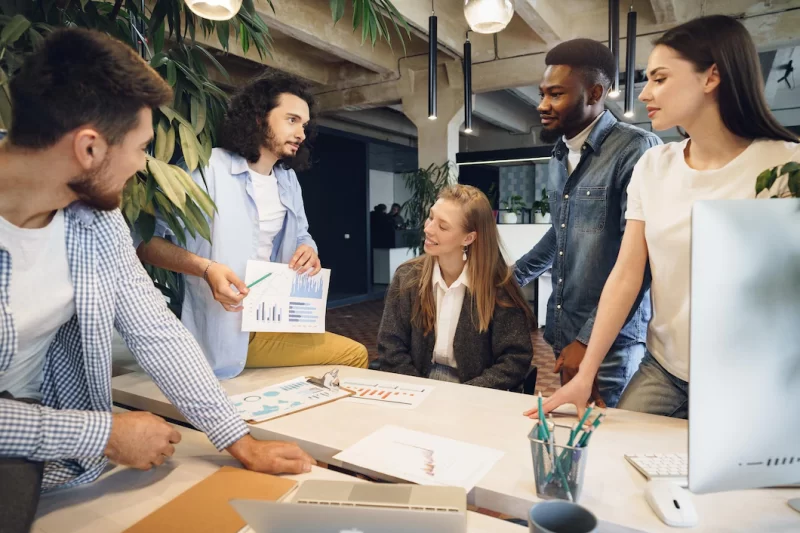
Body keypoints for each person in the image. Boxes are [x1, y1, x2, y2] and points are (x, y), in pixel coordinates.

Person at [0, 29, 315, 533]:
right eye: (142, 148)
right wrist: (98, 434)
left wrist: (238, 439)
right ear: (88, 148)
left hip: (57, 465)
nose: (146, 166)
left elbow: (155, 328)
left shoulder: (96, 220)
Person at [526, 15, 798, 420]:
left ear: (711, 78)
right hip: (665, 367)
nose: (645, 92)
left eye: (659, 78)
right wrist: (586, 371)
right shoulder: (656, 164)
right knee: (620, 465)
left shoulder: (784, 166)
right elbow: (627, 273)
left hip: (750, 375)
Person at [137, 71, 368, 379]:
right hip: (227, 328)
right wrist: (206, 269)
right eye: (292, 120)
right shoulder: (207, 169)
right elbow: (147, 243)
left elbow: (303, 235)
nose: (301, 133)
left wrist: (308, 250)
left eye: (305, 125)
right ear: (259, 118)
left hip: (274, 317)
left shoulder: (288, 180)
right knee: (354, 354)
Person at [514, 39, 661, 408]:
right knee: (578, 436)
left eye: (556, 94)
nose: (542, 105)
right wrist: (510, 278)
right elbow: (560, 232)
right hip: (565, 329)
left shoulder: (637, 150)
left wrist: (587, 340)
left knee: (607, 444)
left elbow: (639, 262)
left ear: (596, 92)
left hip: (610, 343)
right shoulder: (558, 153)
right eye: (542, 93)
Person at [378, 185, 534, 389]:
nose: (428, 229)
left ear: (468, 238)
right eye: (431, 217)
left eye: (443, 226)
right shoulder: (407, 277)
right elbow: (390, 346)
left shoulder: (498, 286)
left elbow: (515, 359)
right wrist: (418, 391)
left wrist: (465, 395)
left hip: (475, 394)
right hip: (415, 387)